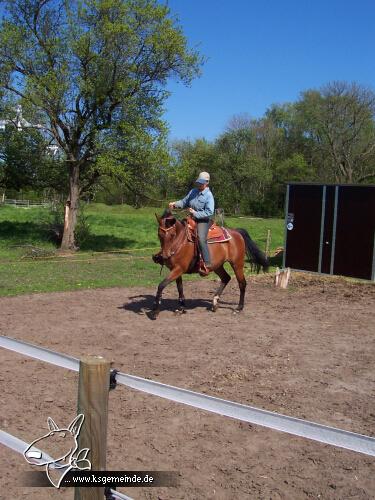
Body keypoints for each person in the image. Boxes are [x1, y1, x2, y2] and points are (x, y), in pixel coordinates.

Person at [169, 171, 214, 276]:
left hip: (203, 220)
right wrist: (175, 204)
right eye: (199, 182)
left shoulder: (209, 195)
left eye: (202, 183)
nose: (199, 185)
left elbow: (209, 212)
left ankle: (207, 263)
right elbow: (184, 202)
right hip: (190, 218)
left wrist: (195, 213)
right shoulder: (193, 191)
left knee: (201, 238)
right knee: (175, 231)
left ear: (207, 183)